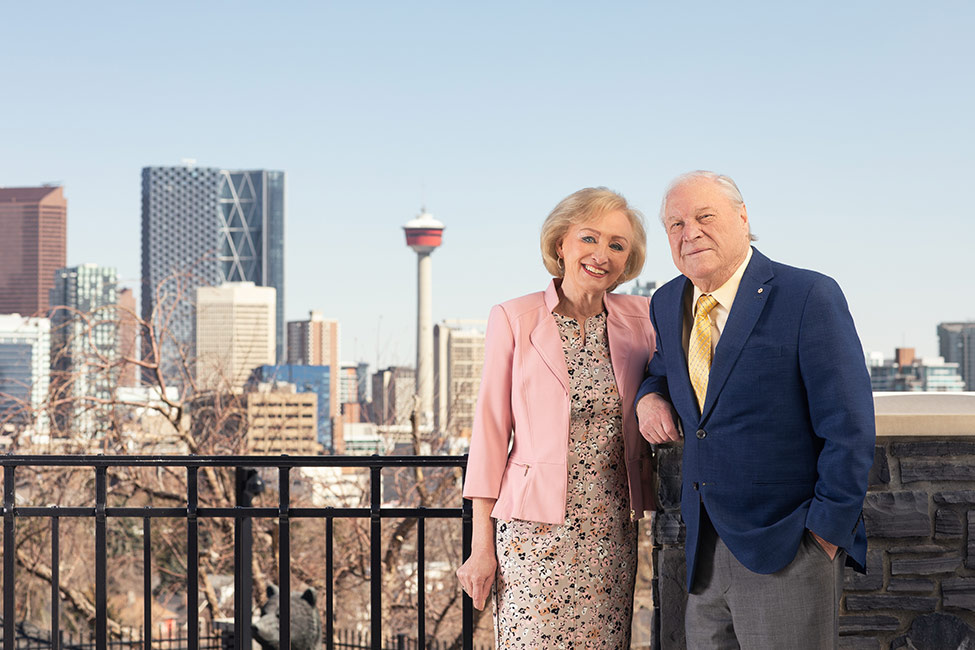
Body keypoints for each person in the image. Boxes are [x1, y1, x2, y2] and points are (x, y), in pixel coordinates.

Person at [636, 170, 875, 648]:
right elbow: (664, 369)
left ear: (742, 218)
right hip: (703, 550)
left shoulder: (808, 295)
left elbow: (849, 427)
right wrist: (648, 396)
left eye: (705, 217)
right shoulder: (666, 301)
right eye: (676, 224)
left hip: (789, 546)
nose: (690, 232)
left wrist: (823, 537)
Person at [456, 187, 657, 647]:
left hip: (611, 530)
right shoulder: (513, 317)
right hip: (532, 535)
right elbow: (490, 434)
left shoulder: (642, 318)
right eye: (589, 238)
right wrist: (481, 547)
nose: (601, 254)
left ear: (628, 261)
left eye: (617, 245)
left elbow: (668, 379)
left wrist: (654, 398)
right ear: (561, 243)